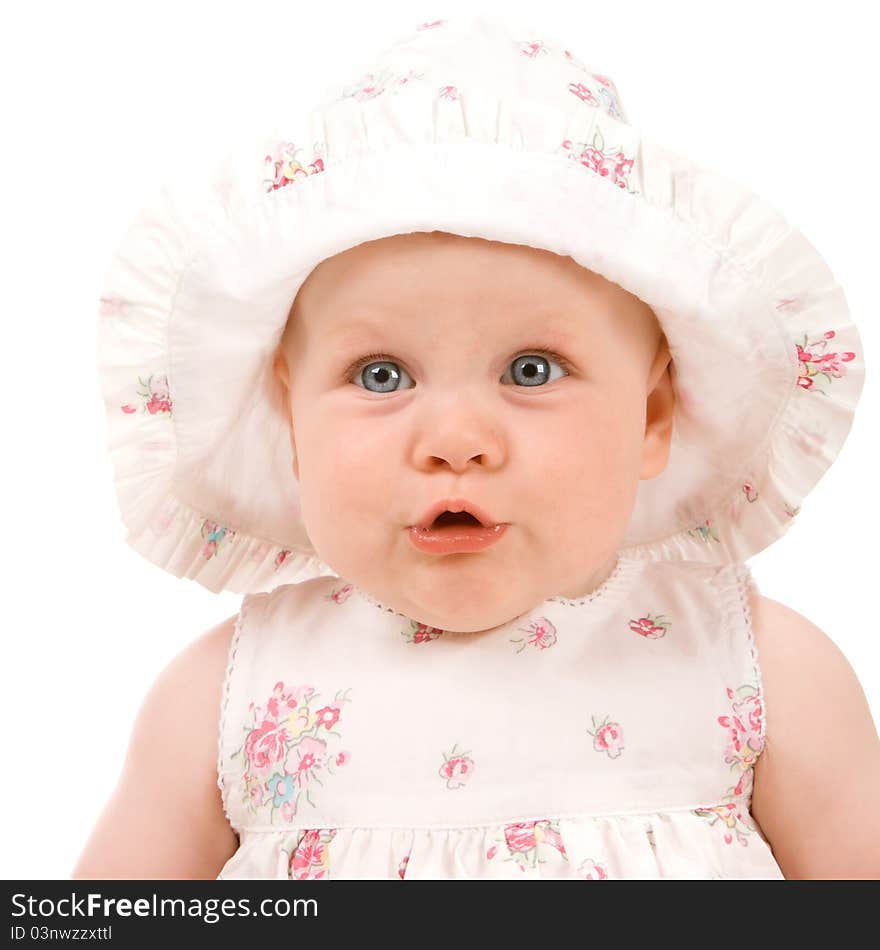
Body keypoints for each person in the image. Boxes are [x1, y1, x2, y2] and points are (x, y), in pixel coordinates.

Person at [74, 15, 880, 879]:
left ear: (651, 415)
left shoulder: (761, 676)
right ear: (292, 420)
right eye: (381, 375)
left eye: (532, 369)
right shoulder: (219, 707)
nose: (456, 443)